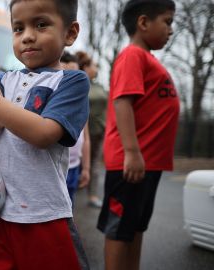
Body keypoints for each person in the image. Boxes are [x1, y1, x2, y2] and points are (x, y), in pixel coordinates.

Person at [0, 0, 90, 268]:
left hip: (43, 216)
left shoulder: (71, 81)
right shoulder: (5, 80)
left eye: (41, 24)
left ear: (70, 33)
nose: (27, 36)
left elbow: (43, 134)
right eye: (18, 28)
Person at [96, 1, 179, 269]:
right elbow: (123, 102)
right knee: (120, 230)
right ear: (143, 23)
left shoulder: (148, 60)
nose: (171, 29)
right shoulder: (133, 55)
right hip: (130, 164)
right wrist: (131, 152)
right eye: (167, 21)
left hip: (147, 164)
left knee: (134, 227)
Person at [76, 50, 107, 208]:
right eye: (94, 66)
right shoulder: (78, 83)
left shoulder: (99, 86)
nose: (96, 69)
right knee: (77, 162)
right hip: (81, 131)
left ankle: (93, 196)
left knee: (94, 164)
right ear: (85, 67)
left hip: (99, 131)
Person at [60, 51, 91, 206]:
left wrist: (86, 168)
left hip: (74, 166)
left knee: (69, 207)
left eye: (76, 74)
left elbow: (86, 138)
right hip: (56, 169)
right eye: (66, 74)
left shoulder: (81, 103)